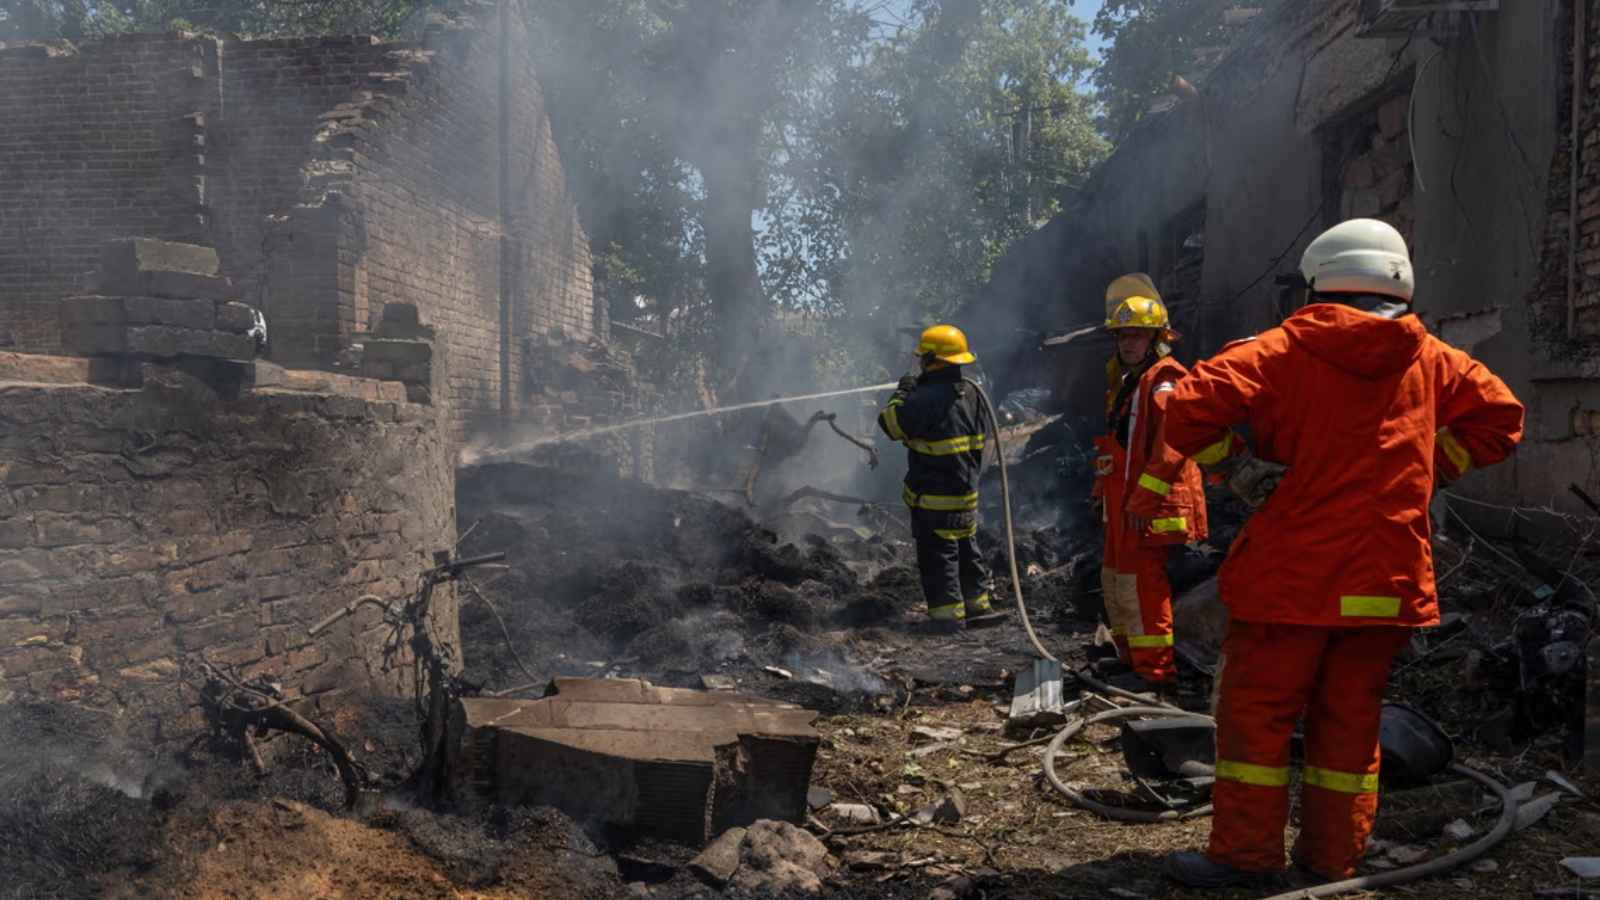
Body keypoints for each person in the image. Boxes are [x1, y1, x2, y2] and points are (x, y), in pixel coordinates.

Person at [1158, 219, 1525, 888]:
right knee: (1350, 730)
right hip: (1382, 579)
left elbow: (1184, 408)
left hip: (1291, 582)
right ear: (1401, 288)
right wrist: (1429, 466)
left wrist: (1234, 467)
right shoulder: (1435, 359)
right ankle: (1332, 860)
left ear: (1318, 284)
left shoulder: (1279, 349)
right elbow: (1502, 417)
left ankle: (1246, 861)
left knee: (1258, 721)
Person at [1092, 274, 1208, 693]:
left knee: (1143, 585)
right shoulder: (1127, 383)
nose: (1128, 344)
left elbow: (1172, 445)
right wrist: (1101, 492)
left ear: (1156, 339)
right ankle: (1131, 661)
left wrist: (1144, 501)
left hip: (1150, 505)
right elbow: (1121, 446)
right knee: (1117, 580)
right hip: (1122, 501)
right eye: (1123, 336)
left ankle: (1156, 673)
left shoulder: (1164, 379)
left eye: (1137, 336)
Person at [877, 324, 1003, 633]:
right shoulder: (974, 394)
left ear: (932, 360)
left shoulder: (923, 398)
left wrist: (902, 392)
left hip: (933, 495)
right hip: (967, 491)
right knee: (966, 547)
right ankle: (978, 606)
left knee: (938, 555)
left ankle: (947, 618)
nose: (919, 363)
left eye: (923, 358)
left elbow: (890, 425)